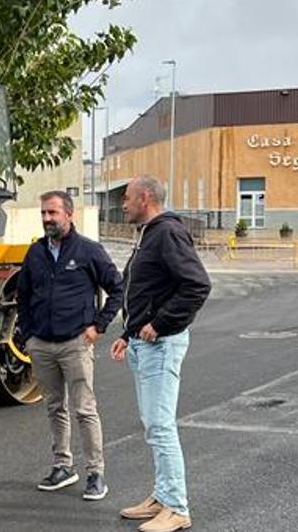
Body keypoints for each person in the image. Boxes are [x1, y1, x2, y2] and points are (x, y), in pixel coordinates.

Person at [110, 175, 211, 532]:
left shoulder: (167, 233)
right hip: (142, 343)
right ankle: (162, 496)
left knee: (161, 426)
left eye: (127, 197)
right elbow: (146, 289)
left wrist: (160, 323)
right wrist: (128, 333)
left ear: (145, 197)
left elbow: (197, 285)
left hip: (161, 345)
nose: (123, 204)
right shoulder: (149, 234)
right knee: (153, 425)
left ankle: (177, 507)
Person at [16, 191, 124, 501]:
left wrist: (98, 326)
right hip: (42, 345)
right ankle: (63, 466)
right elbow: (23, 295)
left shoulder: (88, 251)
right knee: (55, 407)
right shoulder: (36, 253)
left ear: (69, 214)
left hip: (75, 343)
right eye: (44, 213)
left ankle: (95, 473)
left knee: (85, 410)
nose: (47, 218)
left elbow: (117, 288)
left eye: (53, 213)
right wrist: (28, 334)